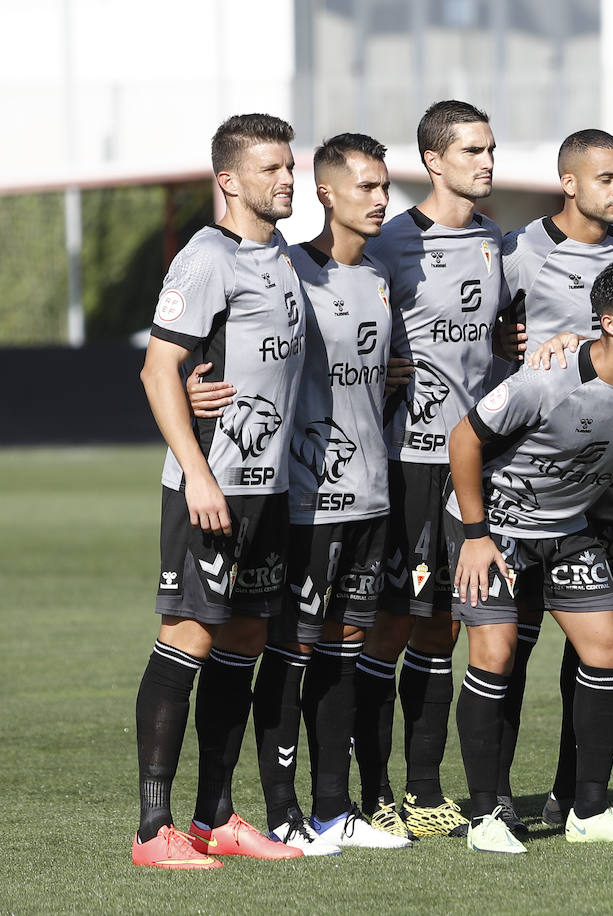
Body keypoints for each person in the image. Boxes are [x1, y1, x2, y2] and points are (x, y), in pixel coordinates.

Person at [189, 133, 413, 853]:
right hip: (306, 500)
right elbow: (219, 354)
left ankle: (331, 810)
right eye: (368, 187)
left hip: (372, 494)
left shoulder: (378, 279)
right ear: (327, 193)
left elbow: (378, 376)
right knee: (293, 651)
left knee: (345, 650)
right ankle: (281, 812)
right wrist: (196, 387)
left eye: (385, 187)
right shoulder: (288, 272)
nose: (381, 200)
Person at [445, 261, 613, 853]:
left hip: (567, 527)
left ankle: (589, 809)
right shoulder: (547, 378)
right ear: (608, 323)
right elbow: (464, 440)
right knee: (495, 654)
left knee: (610, 649)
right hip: (492, 525)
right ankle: (484, 819)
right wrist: (476, 535)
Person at [132, 113, 306, 868]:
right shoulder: (207, 258)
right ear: (228, 179)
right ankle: (151, 831)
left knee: (244, 638)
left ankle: (216, 817)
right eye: (271, 168)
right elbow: (157, 369)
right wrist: (199, 474)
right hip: (213, 488)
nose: (288, 179)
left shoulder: (283, 257)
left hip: (269, 489)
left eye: (290, 166)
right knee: (189, 638)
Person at [354, 99, 505, 840]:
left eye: (490, 149)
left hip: (475, 466)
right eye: (472, 150)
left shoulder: (496, 242)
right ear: (434, 162)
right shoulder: (387, 244)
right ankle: (374, 790)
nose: (486, 162)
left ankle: (423, 789)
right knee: (390, 628)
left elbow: (501, 339)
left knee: (444, 628)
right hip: (407, 465)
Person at [494, 128, 613, 831]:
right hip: (527, 473)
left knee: (592, 640)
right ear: (570, 183)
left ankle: (570, 793)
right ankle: (496, 797)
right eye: (608, 179)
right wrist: (511, 349)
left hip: (605, 476)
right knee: (510, 647)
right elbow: (486, 333)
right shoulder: (522, 250)